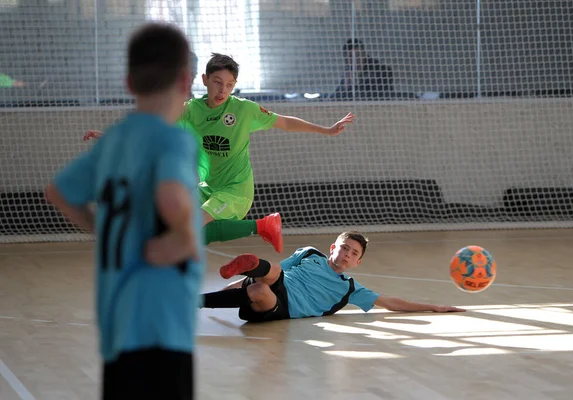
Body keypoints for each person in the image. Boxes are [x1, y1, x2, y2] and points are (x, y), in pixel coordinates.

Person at [45, 22, 203, 399]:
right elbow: (171, 196)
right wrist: (183, 239)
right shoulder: (173, 139)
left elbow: (58, 192)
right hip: (161, 319)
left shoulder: (112, 141)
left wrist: (102, 227)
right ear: (185, 82)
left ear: (129, 83)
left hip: (116, 317)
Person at [84, 53, 355, 252]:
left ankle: (261, 227)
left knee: (191, 226)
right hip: (205, 187)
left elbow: (284, 121)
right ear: (204, 80)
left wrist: (327, 130)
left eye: (228, 84)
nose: (222, 89)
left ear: (234, 86)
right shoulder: (191, 110)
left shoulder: (244, 110)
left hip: (236, 190)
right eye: (216, 82)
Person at [201, 231, 465, 322]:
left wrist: (434, 307)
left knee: (259, 292)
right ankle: (247, 267)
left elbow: (392, 303)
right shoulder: (309, 254)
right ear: (333, 248)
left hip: (283, 307)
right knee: (267, 276)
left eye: (353, 253)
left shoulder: (349, 288)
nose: (347, 254)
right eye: (344, 248)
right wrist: (232, 286)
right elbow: (276, 270)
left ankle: (200, 299)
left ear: (358, 262)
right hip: (278, 281)